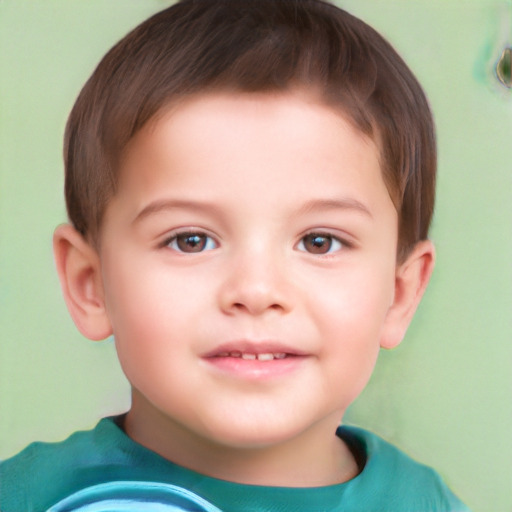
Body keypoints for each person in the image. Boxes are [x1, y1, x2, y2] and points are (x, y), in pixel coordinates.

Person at [0, 0, 470, 510]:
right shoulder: (27, 498)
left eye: (320, 241)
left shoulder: (424, 502)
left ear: (399, 295)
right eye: (190, 240)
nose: (256, 290)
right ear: (90, 283)